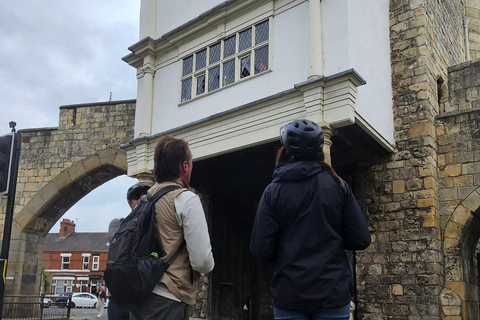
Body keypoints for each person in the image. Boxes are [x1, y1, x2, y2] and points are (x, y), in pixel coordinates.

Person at [250, 119, 371, 320]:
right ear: (319, 149)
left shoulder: (273, 192)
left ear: (287, 149)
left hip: (290, 296)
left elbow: (260, 249)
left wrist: (286, 252)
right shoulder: (338, 186)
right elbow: (361, 238)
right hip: (333, 294)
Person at [129, 135, 215, 320]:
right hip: (167, 299)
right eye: (191, 162)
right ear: (185, 166)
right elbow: (202, 261)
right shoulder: (186, 199)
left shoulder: (145, 200)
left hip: (138, 296)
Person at [107, 182, 150, 320]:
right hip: (121, 293)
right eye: (138, 197)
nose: (142, 199)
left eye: (145, 196)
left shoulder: (154, 222)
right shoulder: (118, 224)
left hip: (145, 292)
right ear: (129, 202)